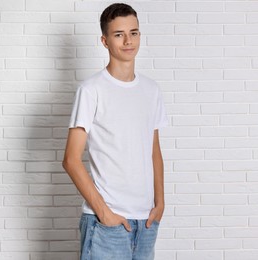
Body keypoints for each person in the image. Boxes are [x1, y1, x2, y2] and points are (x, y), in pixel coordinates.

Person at [62, 3, 168, 260]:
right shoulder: (91, 90)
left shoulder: (151, 90)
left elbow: (153, 151)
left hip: (145, 223)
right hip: (105, 224)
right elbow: (71, 160)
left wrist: (160, 203)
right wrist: (104, 212)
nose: (128, 40)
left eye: (134, 32)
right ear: (105, 41)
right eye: (119, 34)